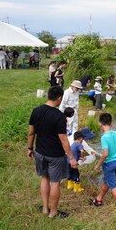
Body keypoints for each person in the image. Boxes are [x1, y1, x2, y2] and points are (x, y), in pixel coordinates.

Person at [27, 85, 78, 218]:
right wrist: (72, 158)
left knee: (44, 178)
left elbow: (31, 133)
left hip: (40, 152)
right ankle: (53, 212)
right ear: (59, 98)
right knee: (55, 182)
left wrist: (30, 148)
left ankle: (45, 208)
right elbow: (63, 139)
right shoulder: (59, 116)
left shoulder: (36, 111)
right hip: (55, 155)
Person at [92, 113, 116, 213]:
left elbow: (106, 154)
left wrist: (98, 164)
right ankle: (99, 199)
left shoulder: (104, 137)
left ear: (100, 124)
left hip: (109, 164)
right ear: (111, 123)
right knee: (108, 181)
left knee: (113, 185)